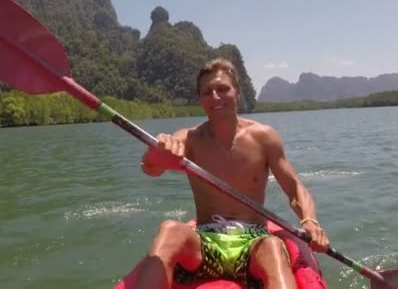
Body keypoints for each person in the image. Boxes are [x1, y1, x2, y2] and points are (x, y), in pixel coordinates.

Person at [136, 58, 329, 289]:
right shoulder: (189, 139)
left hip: (253, 241)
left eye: (223, 89)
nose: (215, 97)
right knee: (169, 229)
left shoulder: (264, 137)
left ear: (237, 92)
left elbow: (294, 188)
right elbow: (151, 168)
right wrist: (157, 153)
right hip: (206, 241)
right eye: (208, 92)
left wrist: (310, 221)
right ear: (200, 100)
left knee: (273, 247)